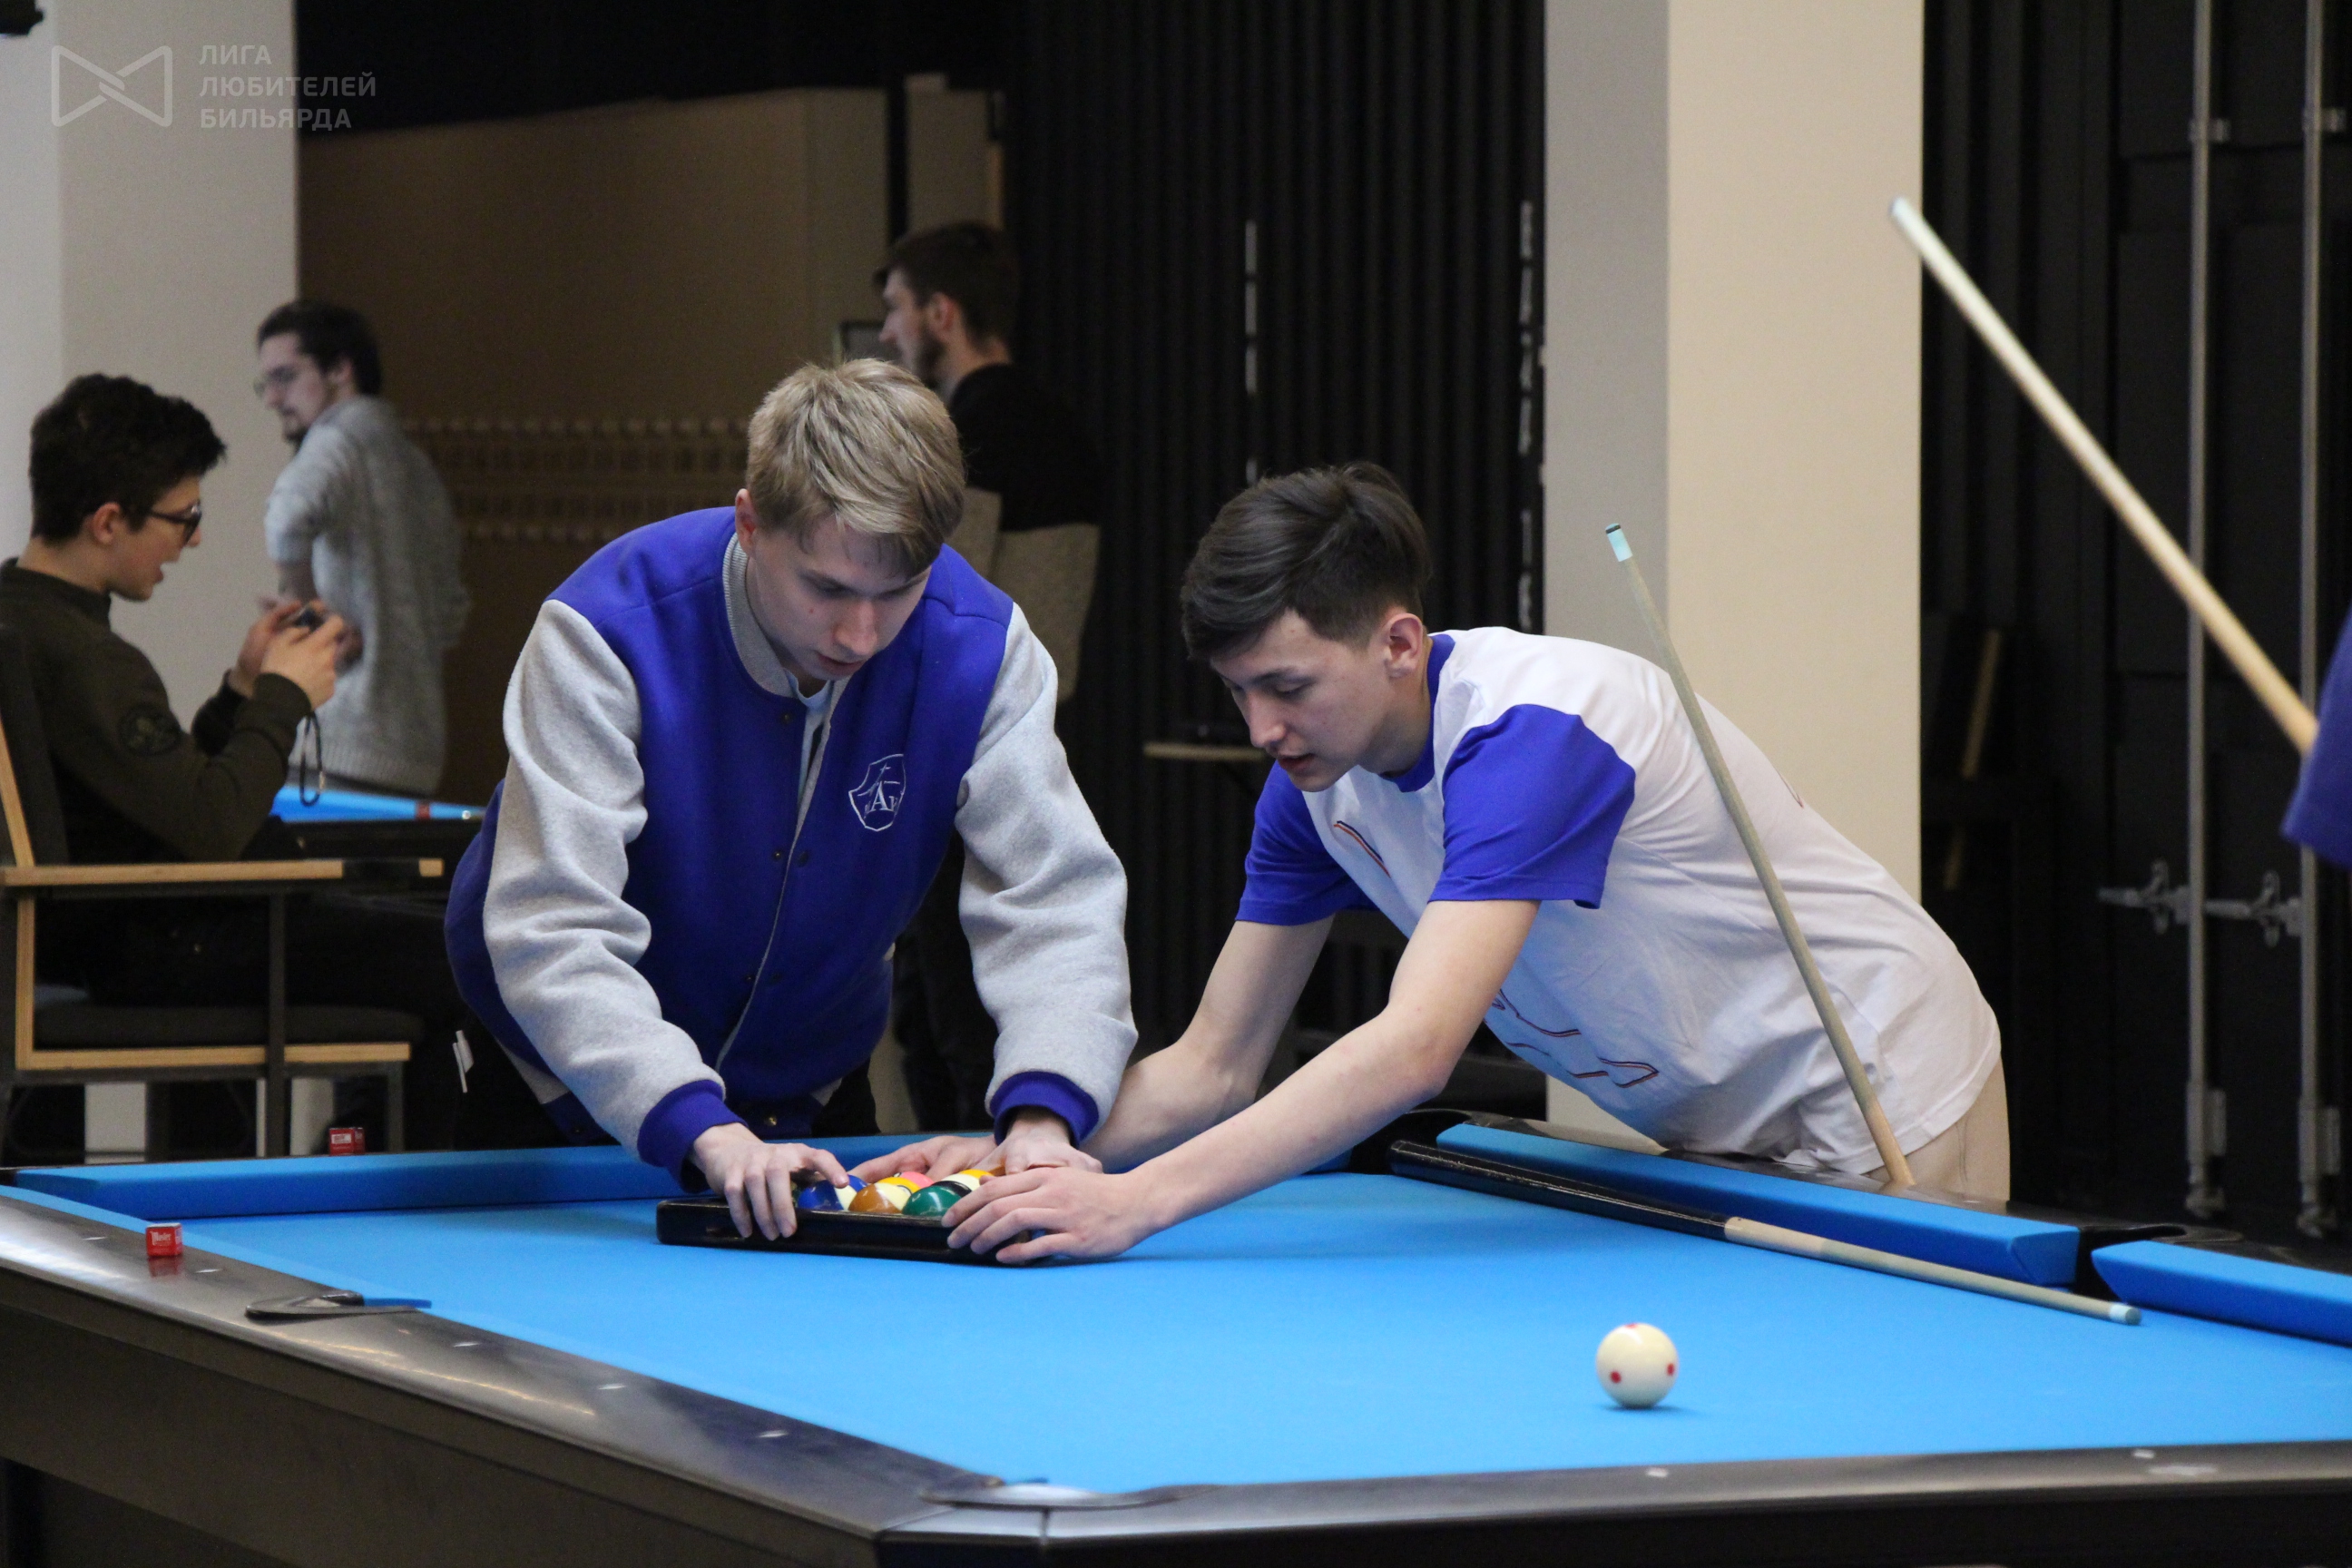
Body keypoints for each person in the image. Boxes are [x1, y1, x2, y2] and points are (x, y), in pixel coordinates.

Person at [874, 464, 2008, 1262]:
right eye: (1239, 692)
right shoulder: (1313, 791)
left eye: (1288, 686)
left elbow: (1417, 1048)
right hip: (1711, 1120)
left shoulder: (1535, 733)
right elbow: (1214, 1064)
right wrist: (1032, 1147)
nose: (1262, 728)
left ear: (1400, 643)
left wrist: (1137, 1204)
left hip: (1877, 1088)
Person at [443, 358, 1133, 1241]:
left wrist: (1043, 1117)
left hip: (809, 1089)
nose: (861, 633)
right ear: (750, 524)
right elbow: (553, 926)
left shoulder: (983, 648)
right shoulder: (607, 630)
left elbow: (1056, 897)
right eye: (828, 588)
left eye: (899, 592)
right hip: (557, 1090)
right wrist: (701, 1126)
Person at [2, 374, 466, 1154]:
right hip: (158, 941)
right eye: (183, 519)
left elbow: (155, 794)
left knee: (410, 945)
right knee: (459, 958)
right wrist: (284, 698)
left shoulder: (24, 618)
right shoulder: (85, 657)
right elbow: (212, 826)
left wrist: (243, 692)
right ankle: (390, 1181)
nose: (193, 542)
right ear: (109, 521)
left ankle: (352, 1164)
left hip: (106, 931)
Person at [876, 221, 1109, 1132]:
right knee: (999, 993)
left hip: (956, 742)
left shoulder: (965, 436)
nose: (888, 332)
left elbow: (930, 591)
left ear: (942, 312)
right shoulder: (1065, 425)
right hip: (1048, 727)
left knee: (944, 1014)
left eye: (897, 309)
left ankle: (957, 1182)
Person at [255, 300, 468, 797]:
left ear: (340, 369)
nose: (273, 398)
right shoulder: (417, 467)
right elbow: (453, 612)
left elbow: (284, 523)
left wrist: (313, 610)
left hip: (338, 734)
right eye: (265, 383)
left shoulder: (336, 439)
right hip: (415, 747)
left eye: (285, 376)